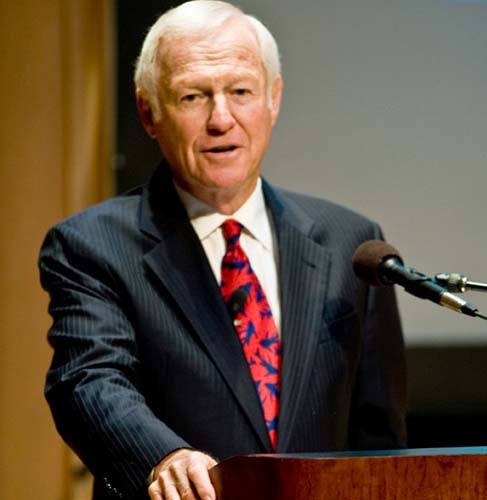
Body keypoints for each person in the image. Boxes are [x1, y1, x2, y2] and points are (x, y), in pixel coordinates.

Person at [39, 1, 407, 499]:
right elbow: (87, 381)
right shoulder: (92, 245)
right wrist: (164, 457)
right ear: (149, 112)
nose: (221, 119)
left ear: (273, 99)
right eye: (192, 96)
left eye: (240, 92)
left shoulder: (350, 242)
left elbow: (379, 436)